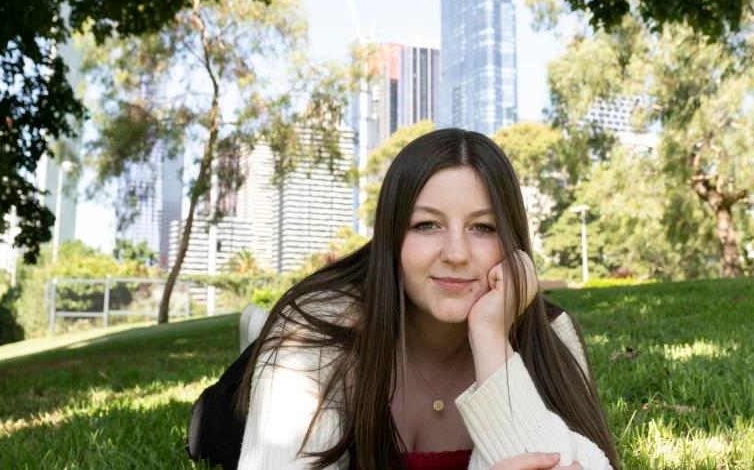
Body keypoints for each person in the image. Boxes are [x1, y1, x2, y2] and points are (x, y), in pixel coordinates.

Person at [236, 129, 620, 469]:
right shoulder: (315, 332)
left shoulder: (551, 333)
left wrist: (491, 335)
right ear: (392, 238)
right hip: (254, 401)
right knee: (219, 421)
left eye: (483, 227)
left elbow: (569, 461)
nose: (456, 253)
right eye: (427, 225)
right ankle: (256, 334)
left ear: (512, 241)